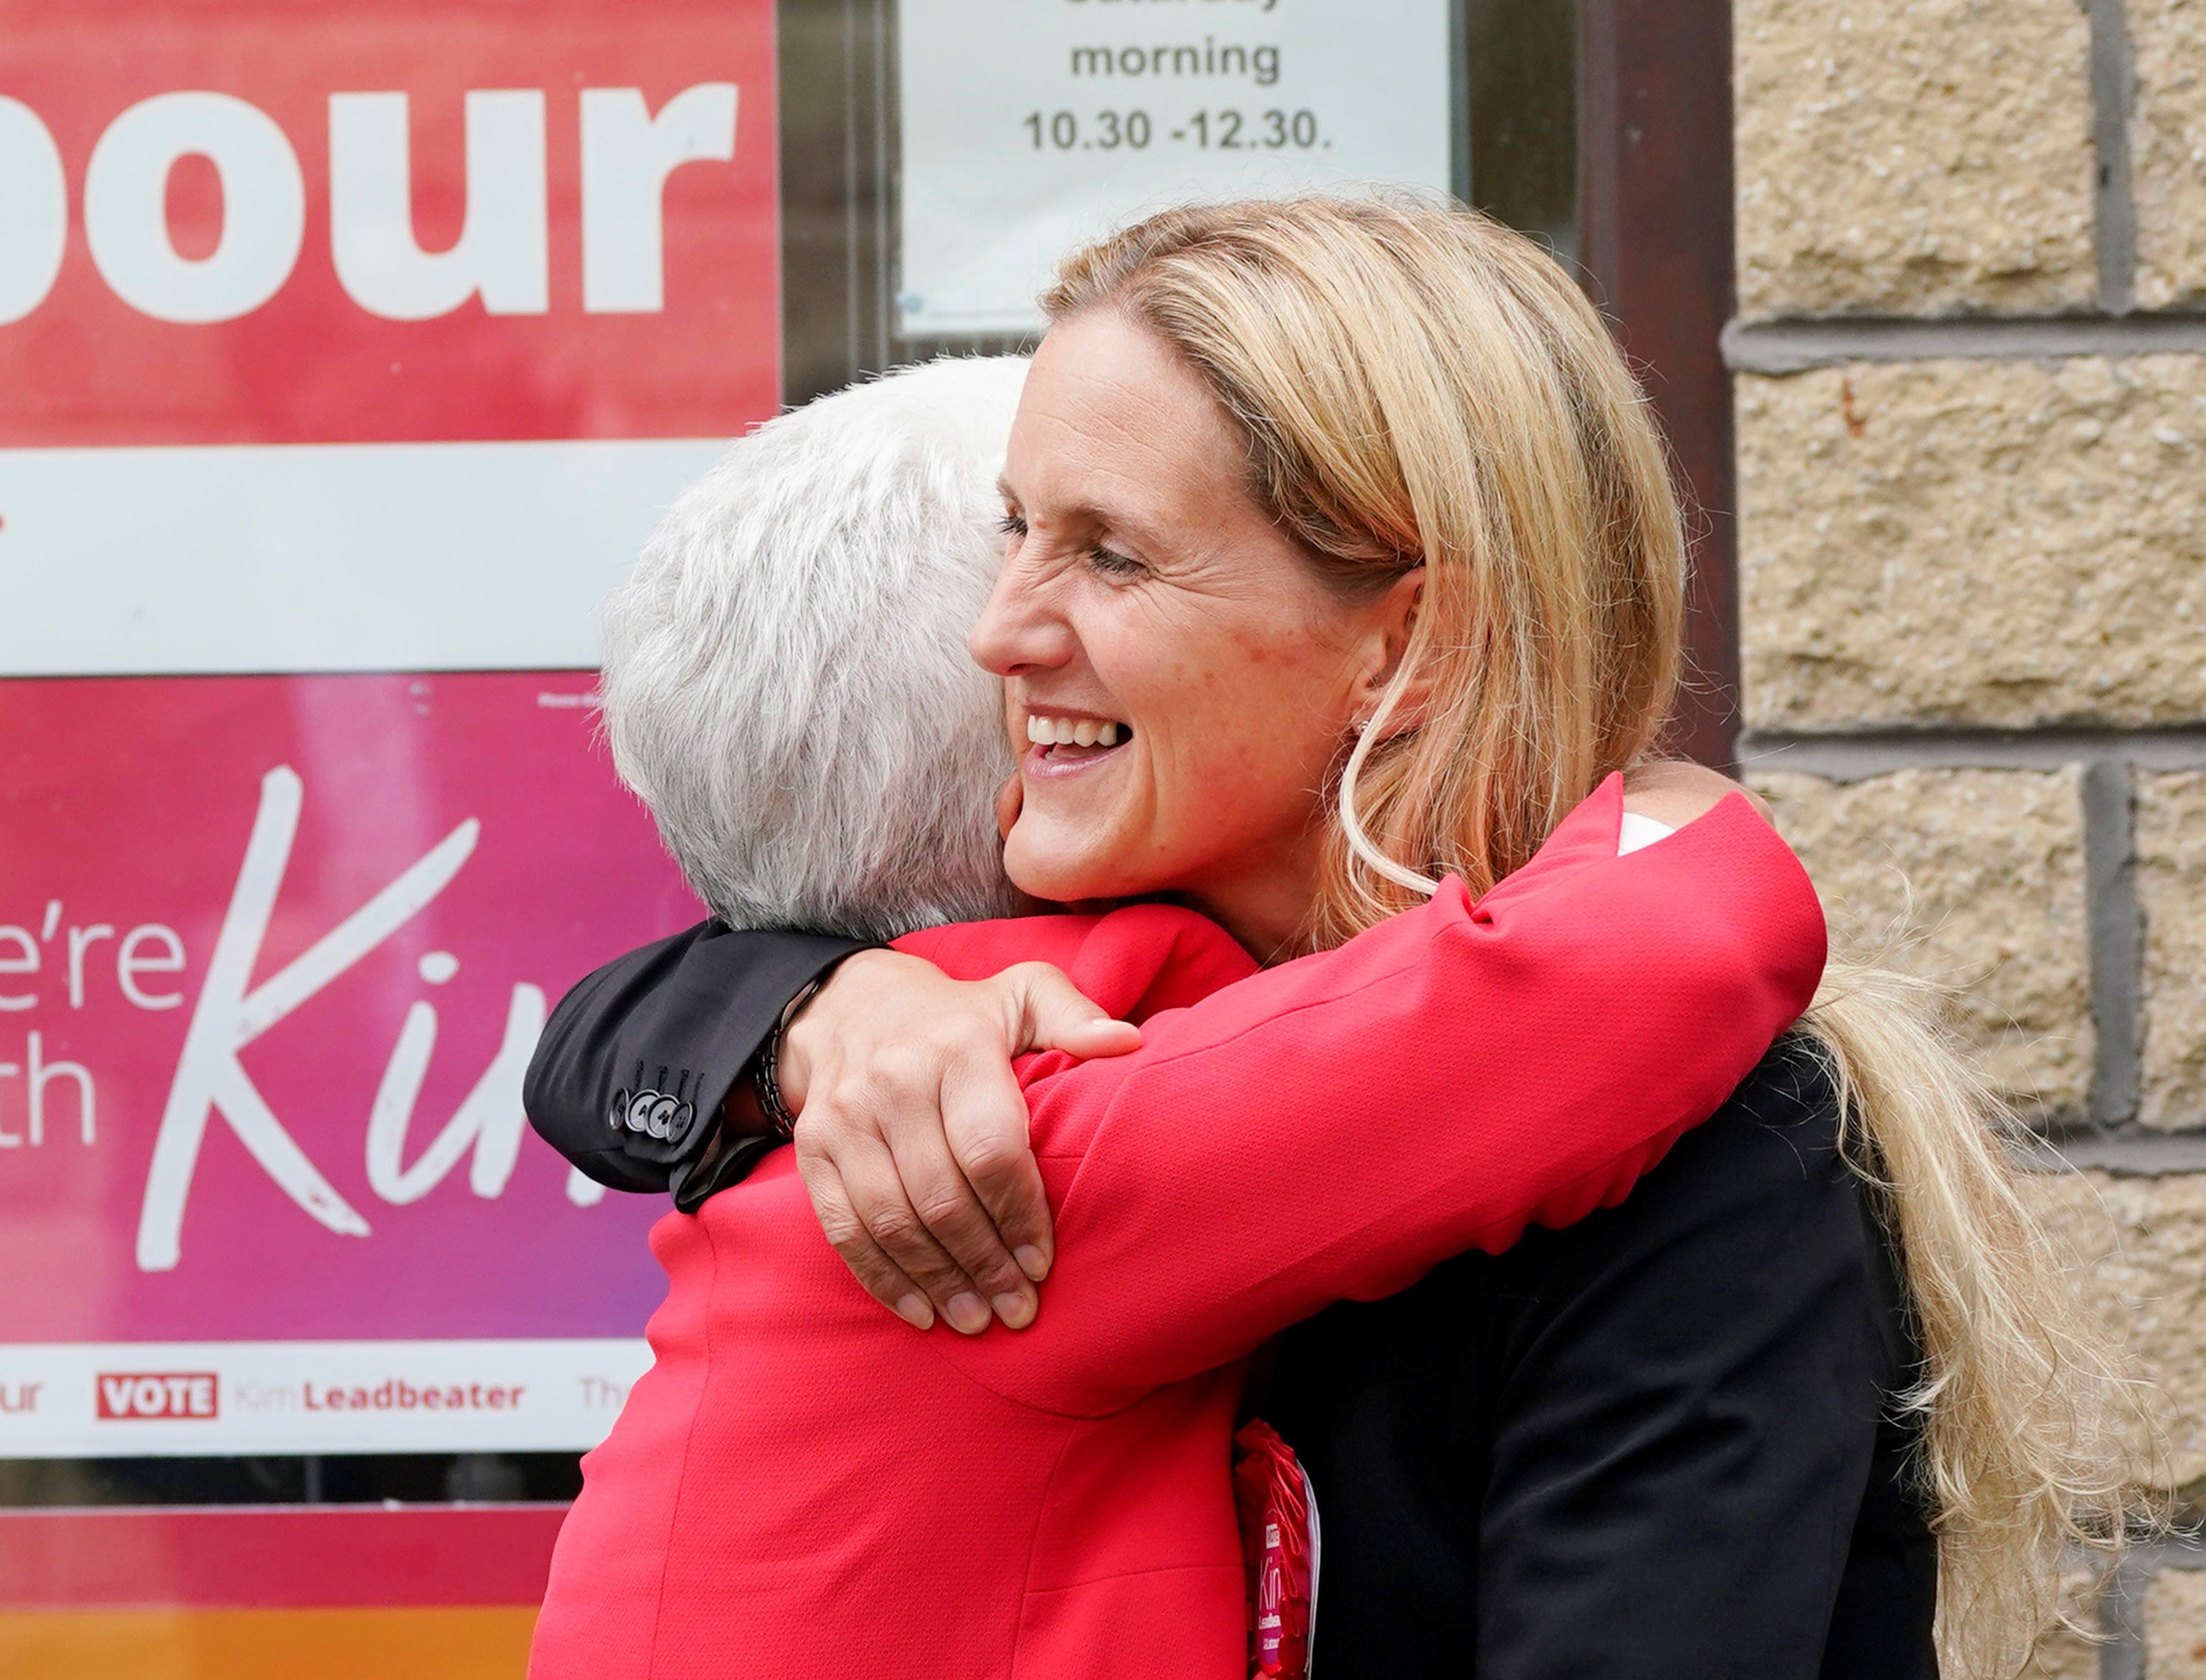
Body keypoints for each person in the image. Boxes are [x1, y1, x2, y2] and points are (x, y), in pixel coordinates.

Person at [529, 198, 2139, 1679]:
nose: (997, 629)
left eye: (1109, 552)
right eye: (1012, 529)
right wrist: (819, 1003)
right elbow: (620, 1031)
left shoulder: (1704, 1156)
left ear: (1408, 643)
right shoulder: (1031, 1027)